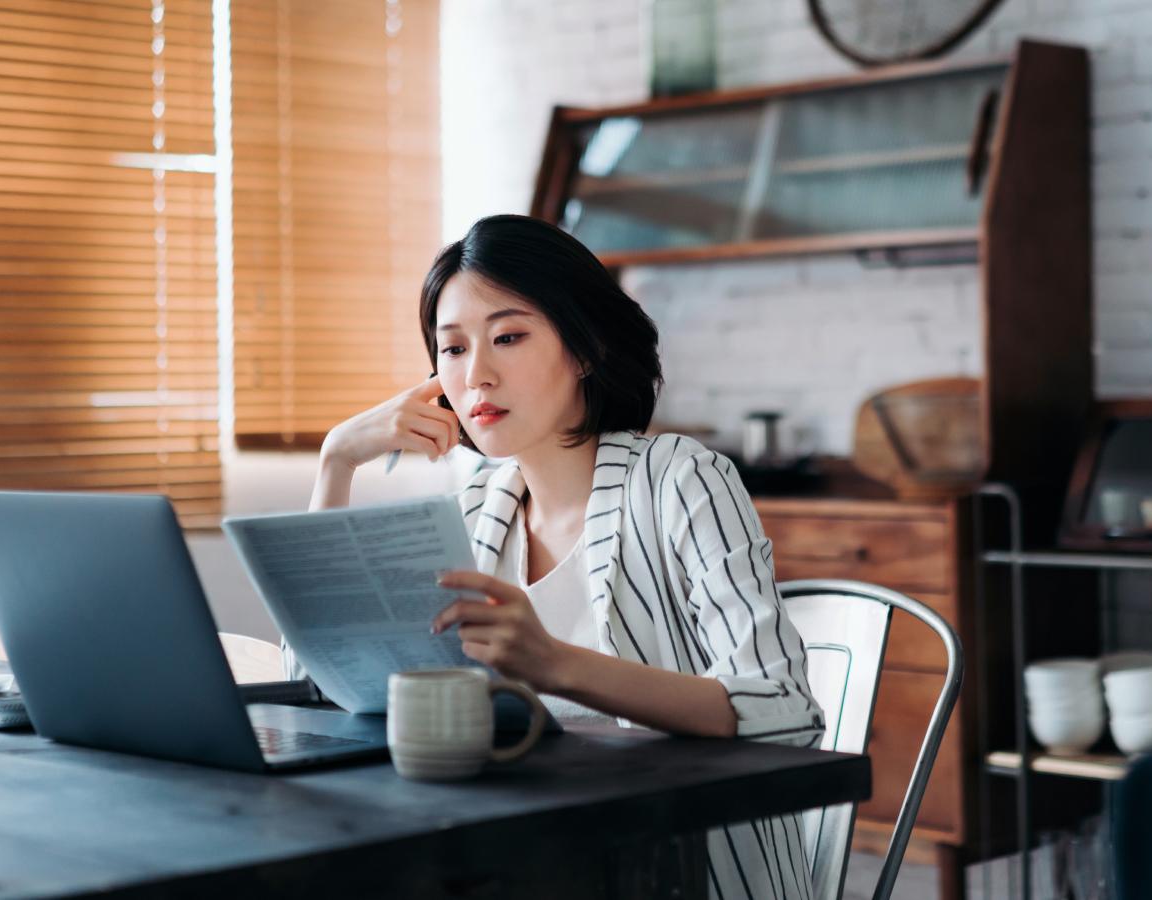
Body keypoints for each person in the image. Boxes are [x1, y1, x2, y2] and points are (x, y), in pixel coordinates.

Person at [310, 213, 824, 899]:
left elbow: (784, 709)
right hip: (530, 858)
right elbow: (325, 685)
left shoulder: (679, 478)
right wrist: (335, 462)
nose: (477, 376)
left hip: (680, 870)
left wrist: (555, 663)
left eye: (509, 337)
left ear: (582, 348)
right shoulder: (474, 508)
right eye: (453, 350)